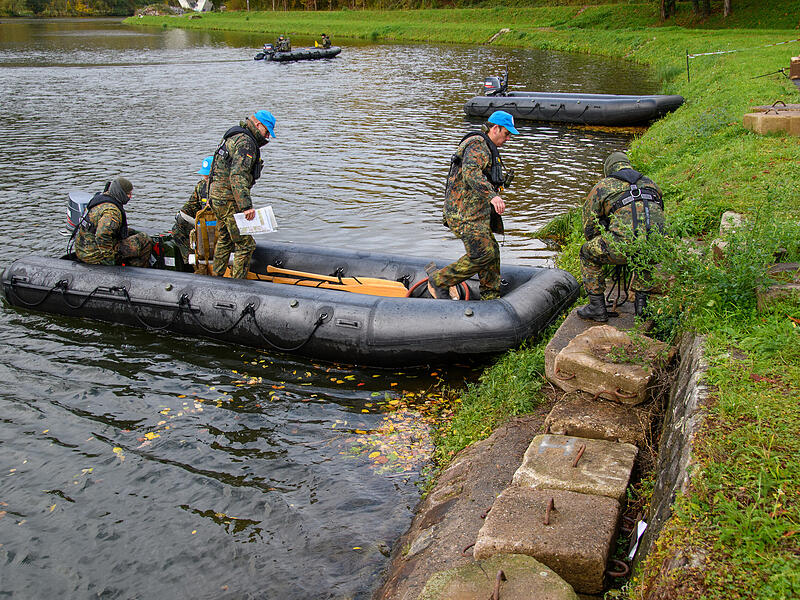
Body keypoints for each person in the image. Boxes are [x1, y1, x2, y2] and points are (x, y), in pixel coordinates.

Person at [427, 110, 518, 300]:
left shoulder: (487, 147)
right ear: (495, 128)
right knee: (482, 254)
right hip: (462, 215)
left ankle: (490, 295)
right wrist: (492, 196)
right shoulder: (477, 146)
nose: (508, 138)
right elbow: (471, 173)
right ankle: (439, 280)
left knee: (492, 251)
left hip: (475, 214)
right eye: (506, 133)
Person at [576, 151, 666, 322]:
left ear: (608, 169)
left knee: (587, 252)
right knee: (645, 247)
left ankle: (596, 307)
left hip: (622, 246)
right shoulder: (651, 183)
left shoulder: (602, 187)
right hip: (657, 247)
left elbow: (589, 230)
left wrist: (608, 233)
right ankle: (642, 307)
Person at [208, 110, 276, 279]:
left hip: (218, 197)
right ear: (258, 124)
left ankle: (216, 277)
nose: (267, 137)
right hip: (229, 199)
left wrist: (210, 197)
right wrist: (246, 207)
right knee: (245, 245)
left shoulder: (234, 136)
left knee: (225, 238)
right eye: (266, 131)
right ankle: (238, 286)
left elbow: (216, 168)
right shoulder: (246, 143)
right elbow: (237, 175)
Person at [74, 177, 153, 267]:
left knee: (131, 232)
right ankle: (138, 269)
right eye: (128, 194)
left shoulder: (101, 199)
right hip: (94, 255)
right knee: (144, 239)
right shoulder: (112, 212)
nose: (130, 196)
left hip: (83, 249)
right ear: (120, 193)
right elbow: (102, 235)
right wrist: (109, 260)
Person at [171, 155, 212, 263]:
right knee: (177, 229)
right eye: (204, 174)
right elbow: (192, 204)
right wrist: (182, 213)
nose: (205, 177)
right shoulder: (201, 186)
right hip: (202, 223)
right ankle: (191, 261)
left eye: (208, 175)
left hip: (218, 225)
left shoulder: (225, 188)